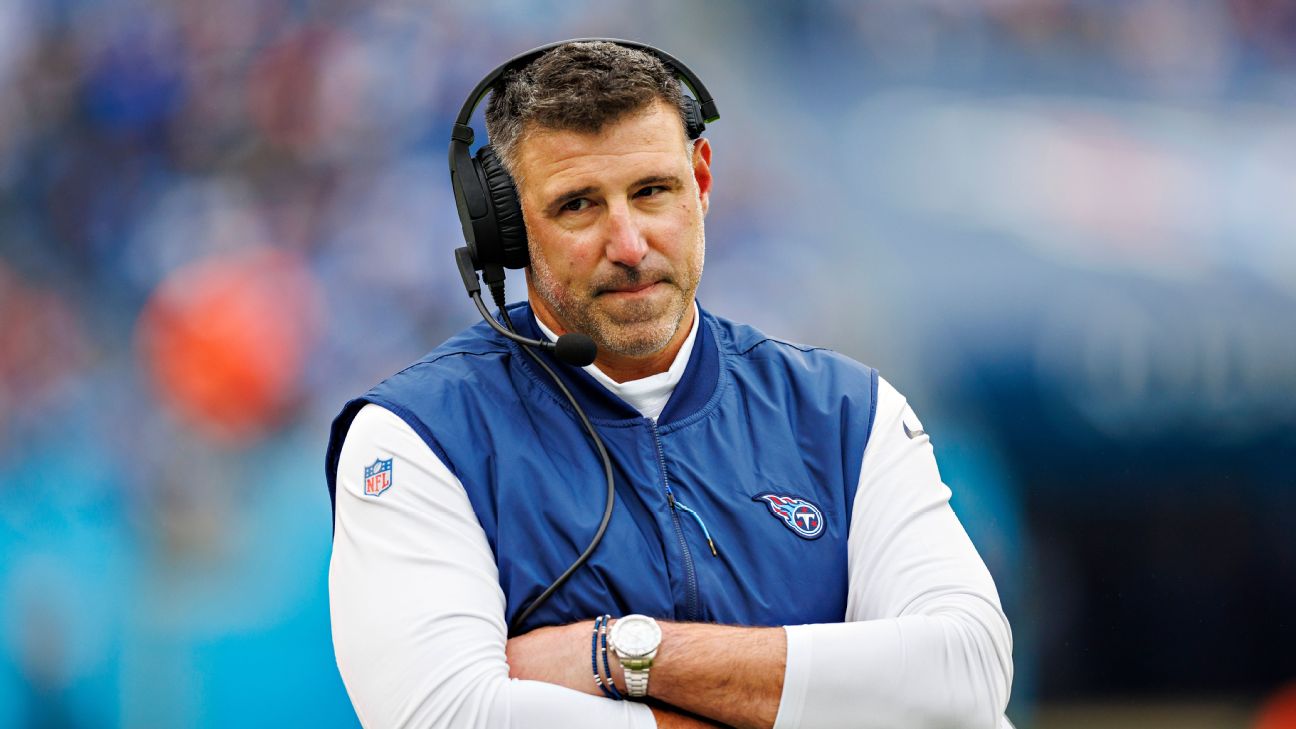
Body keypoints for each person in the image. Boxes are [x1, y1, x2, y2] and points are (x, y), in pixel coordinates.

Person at [326, 40, 1013, 729]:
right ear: (506, 229)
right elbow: (448, 717)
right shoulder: (417, 436)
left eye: (652, 191)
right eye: (578, 205)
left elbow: (968, 676)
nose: (629, 245)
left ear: (701, 182)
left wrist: (624, 653)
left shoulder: (846, 411)